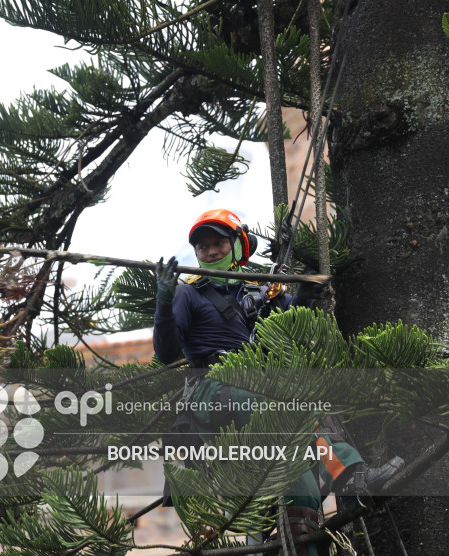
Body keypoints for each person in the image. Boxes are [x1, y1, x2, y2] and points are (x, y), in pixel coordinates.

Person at [153, 209, 402, 555]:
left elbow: (291, 326)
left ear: (238, 247)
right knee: (283, 401)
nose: (209, 252)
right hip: (214, 392)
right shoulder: (189, 295)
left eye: (219, 244)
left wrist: (305, 293)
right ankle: (346, 479)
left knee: (301, 488)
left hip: (262, 391)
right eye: (203, 247)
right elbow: (166, 354)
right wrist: (164, 302)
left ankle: (350, 479)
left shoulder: (261, 293)